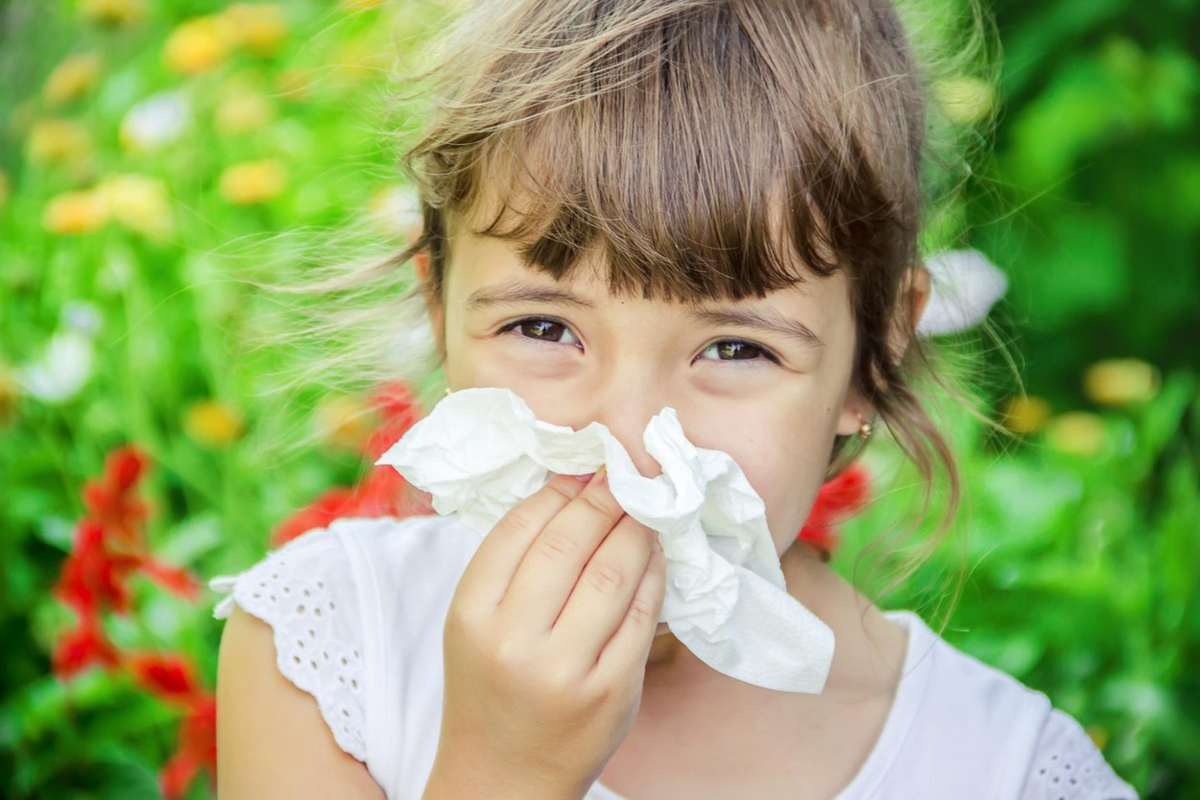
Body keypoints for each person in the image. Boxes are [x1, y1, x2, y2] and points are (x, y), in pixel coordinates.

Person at [210, 0, 1139, 798]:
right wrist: (501, 772)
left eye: (735, 348)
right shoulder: (328, 647)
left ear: (870, 362)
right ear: (438, 307)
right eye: (544, 328)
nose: (625, 443)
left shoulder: (1004, 769)